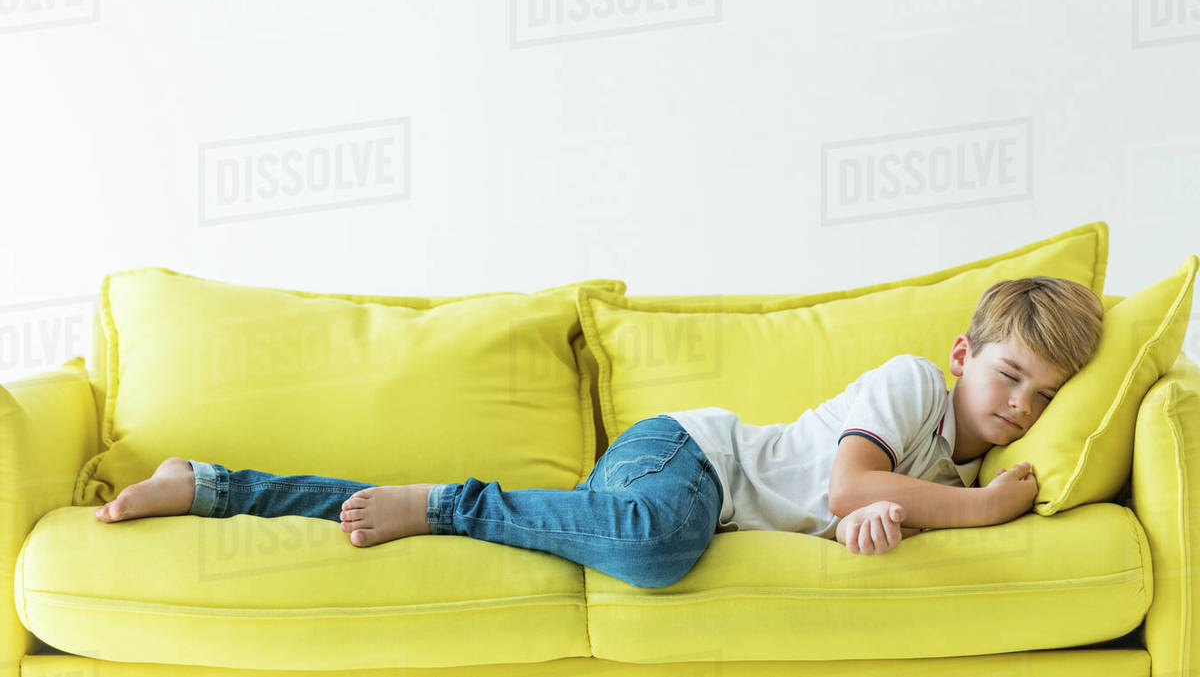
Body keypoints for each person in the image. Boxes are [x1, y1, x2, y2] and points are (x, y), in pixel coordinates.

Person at [92, 276, 1104, 588]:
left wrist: (880, 529)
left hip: (711, 499)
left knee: (645, 538)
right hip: (689, 456)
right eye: (1012, 375)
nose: (1022, 408)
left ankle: (219, 486)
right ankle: (446, 503)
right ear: (969, 355)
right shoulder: (917, 384)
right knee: (659, 546)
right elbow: (840, 484)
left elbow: (849, 515)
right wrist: (973, 507)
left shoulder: (949, 462)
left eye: (1046, 398)